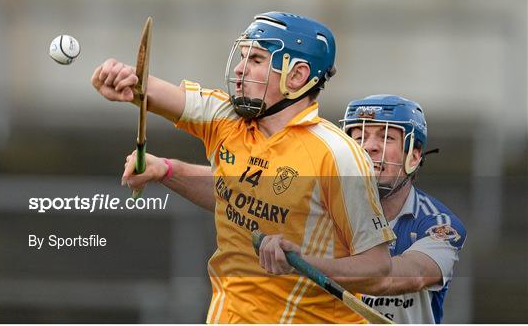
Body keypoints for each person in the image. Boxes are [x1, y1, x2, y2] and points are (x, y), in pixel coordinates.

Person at [91, 12, 395, 323]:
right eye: (241, 56)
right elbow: (150, 92)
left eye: (257, 60)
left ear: (297, 75)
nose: (239, 69)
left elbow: (378, 269)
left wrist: (305, 263)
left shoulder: (338, 156)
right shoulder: (227, 120)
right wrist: (124, 79)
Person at [160, 95, 467, 323]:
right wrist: (167, 170)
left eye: (385, 137)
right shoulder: (321, 201)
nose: (368, 146)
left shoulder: (436, 223)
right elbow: (238, 197)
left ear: (414, 155)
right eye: (357, 136)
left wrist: (303, 263)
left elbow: (399, 278)